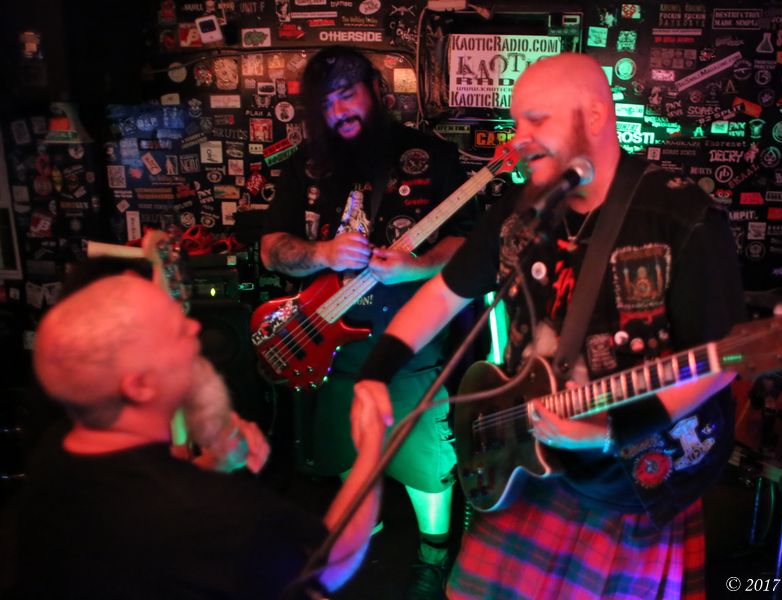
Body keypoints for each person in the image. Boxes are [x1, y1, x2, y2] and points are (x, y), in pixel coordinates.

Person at [354, 53, 745, 598]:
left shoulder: (681, 216)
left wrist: (607, 431)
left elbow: (721, 363)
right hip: (527, 457)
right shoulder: (522, 209)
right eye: (517, 122)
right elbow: (445, 292)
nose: (518, 139)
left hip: (631, 481)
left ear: (595, 116)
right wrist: (376, 372)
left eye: (536, 120)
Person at [13, 274, 390, 599]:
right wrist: (372, 445)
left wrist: (214, 463)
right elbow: (329, 564)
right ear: (139, 386)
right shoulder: (215, 514)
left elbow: (149, 504)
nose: (194, 329)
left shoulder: (57, 449)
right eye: (173, 330)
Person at [260, 46, 472, 597]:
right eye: (326, 104)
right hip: (328, 348)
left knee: (425, 462)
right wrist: (323, 253)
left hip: (410, 345)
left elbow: (468, 241)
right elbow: (271, 249)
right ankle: (363, 534)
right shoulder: (305, 166)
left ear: (376, 89)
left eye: (347, 95)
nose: (339, 111)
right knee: (341, 451)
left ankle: (432, 554)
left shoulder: (432, 157)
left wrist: (417, 266)